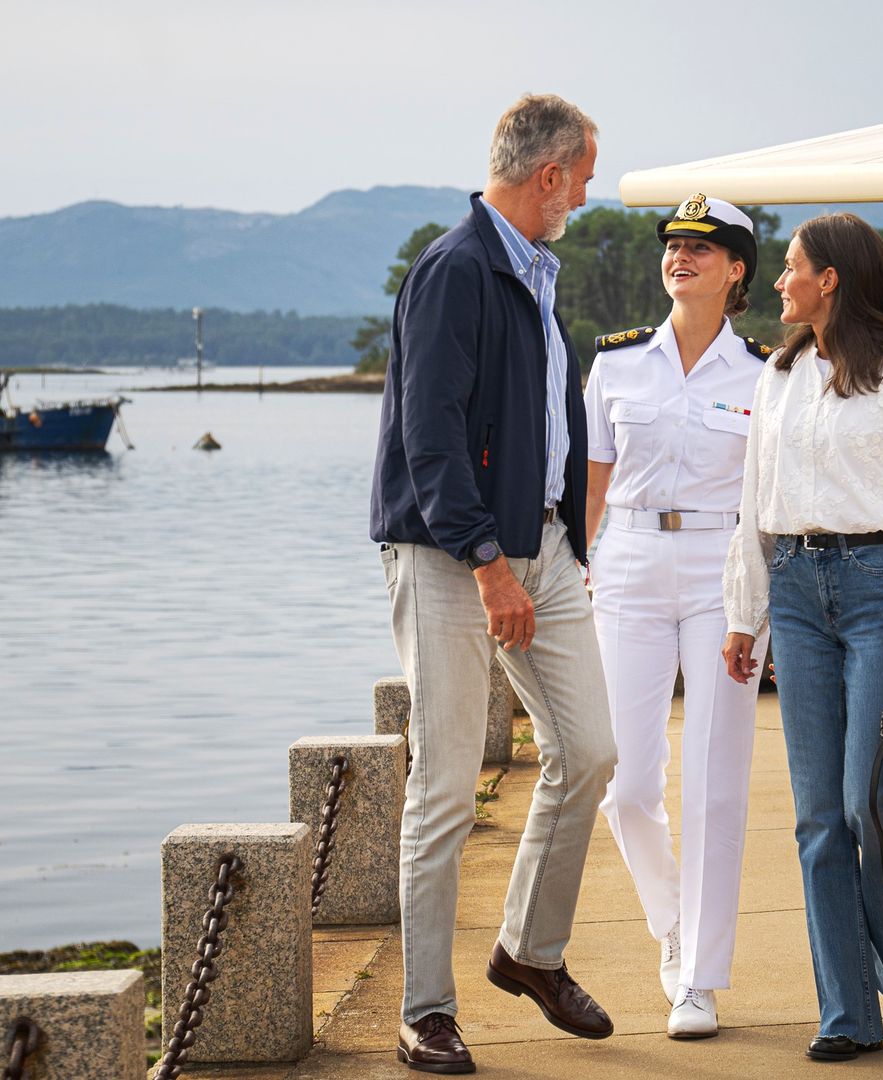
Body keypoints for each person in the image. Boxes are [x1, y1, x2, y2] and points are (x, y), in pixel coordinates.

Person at [370, 93, 618, 1075]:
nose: (587, 196)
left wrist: (566, 544)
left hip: (545, 548)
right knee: (441, 786)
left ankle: (529, 951)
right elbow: (429, 438)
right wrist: (485, 565)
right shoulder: (455, 270)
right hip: (448, 553)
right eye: (586, 177)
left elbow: (550, 420)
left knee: (590, 751)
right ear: (549, 174)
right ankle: (425, 1012)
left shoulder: (534, 273)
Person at [721, 213, 883, 1062]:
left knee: (872, 803)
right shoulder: (779, 375)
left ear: (831, 279)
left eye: (791, 267)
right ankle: (845, 1012)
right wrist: (741, 615)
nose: (780, 280)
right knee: (817, 818)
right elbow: (756, 502)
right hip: (794, 591)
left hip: (878, 593)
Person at [584, 195, 770, 1040]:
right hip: (625, 564)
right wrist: (575, 572)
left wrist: (758, 597)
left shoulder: (767, 374)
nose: (681, 255)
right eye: (673, 244)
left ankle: (698, 976)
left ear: (736, 270)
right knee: (621, 784)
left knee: (715, 775)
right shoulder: (617, 364)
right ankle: (671, 924)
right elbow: (590, 488)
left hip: (721, 567)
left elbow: (767, 501)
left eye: (703, 246)